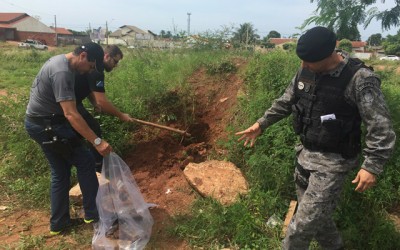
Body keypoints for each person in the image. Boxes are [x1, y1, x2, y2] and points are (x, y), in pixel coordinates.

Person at [235, 26, 395, 249]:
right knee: (318, 219)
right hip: (304, 155)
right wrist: (261, 124)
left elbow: (381, 126)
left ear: (329, 54)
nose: (303, 66)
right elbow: (286, 101)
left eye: (309, 62)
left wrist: (372, 166)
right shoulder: (307, 69)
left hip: (333, 163)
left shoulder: (359, 79)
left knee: (300, 227)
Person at [24, 42, 113, 235]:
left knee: (60, 171)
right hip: (48, 126)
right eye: (90, 66)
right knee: (86, 161)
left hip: (38, 123)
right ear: (83, 56)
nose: (89, 70)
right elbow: (71, 114)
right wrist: (97, 141)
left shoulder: (63, 64)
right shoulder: (62, 72)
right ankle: (93, 214)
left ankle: (59, 223)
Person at [74, 45, 133, 173]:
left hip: (74, 102)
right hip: (69, 104)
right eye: (115, 61)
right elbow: (103, 102)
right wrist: (121, 115)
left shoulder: (94, 68)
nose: (116, 65)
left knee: (90, 128)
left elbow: (89, 88)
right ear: (106, 56)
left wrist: (94, 102)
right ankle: (97, 167)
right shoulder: (96, 70)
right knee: (91, 129)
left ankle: (93, 164)